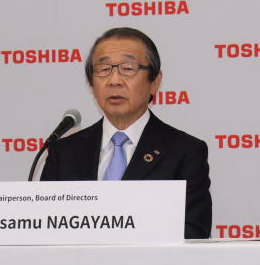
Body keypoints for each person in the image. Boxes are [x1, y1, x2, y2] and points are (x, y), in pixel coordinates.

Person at [40, 27, 212, 239]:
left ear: (155, 82)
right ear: (92, 85)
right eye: (103, 69)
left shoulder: (185, 152)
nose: (114, 80)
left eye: (128, 68)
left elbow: (193, 233)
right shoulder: (63, 152)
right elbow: (45, 230)